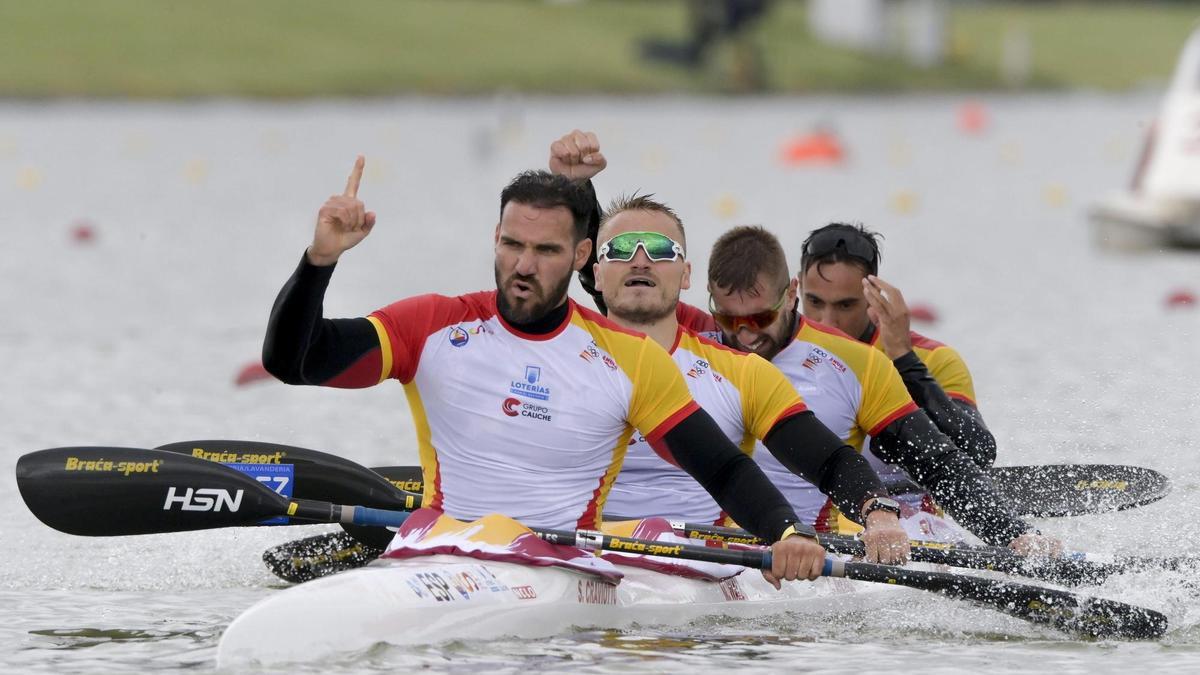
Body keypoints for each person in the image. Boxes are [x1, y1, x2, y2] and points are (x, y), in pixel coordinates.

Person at [262, 156, 829, 587]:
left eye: (545, 250)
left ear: (582, 256)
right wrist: (320, 261)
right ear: (495, 239)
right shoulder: (431, 325)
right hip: (434, 556)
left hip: (562, 572)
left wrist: (786, 533)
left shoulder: (628, 360)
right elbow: (294, 361)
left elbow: (723, 468)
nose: (523, 266)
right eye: (512, 244)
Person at [577, 190, 912, 564]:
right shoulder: (560, 362)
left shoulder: (743, 374)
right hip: (578, 555)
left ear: (686, 275)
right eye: (620, 250)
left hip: (700, 565)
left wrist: (878, 511)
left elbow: (830, 461)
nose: (640, 261)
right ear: (596, 275)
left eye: (660, 250)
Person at [689, 225, 1059, 553]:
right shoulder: (694, 340)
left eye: (761, 318)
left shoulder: (875, 362)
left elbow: (953, 459)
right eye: (728, 320)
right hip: (742, 535)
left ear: (788, 295)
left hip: (862, 526)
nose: (746, 335)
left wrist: (1013, 533)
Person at [798, 223, 996, 471]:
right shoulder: (770, 354)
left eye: (845, 306)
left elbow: (978, 455)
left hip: (903, 506)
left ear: (873, 296)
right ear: (797, 290)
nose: (827, 322)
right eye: (814, 302)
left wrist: (904, 360)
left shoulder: (933, 359)